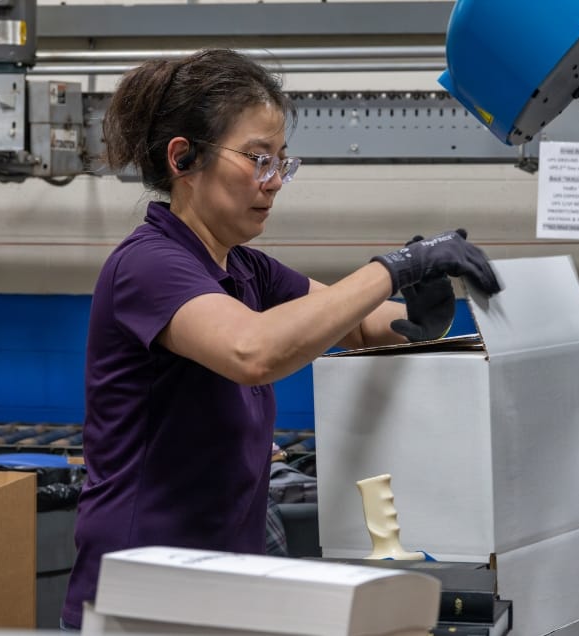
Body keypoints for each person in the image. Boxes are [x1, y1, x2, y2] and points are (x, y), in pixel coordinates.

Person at [60, 49, 502, 629]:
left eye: (281, 163)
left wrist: (426, 315)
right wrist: (394, 265)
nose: (273, 182)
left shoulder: (247, 270)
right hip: (142, 600)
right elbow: (253, 351)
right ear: (183, 156)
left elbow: (363, 327)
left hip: (224, 591)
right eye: (257, 159)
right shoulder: (147, 266)